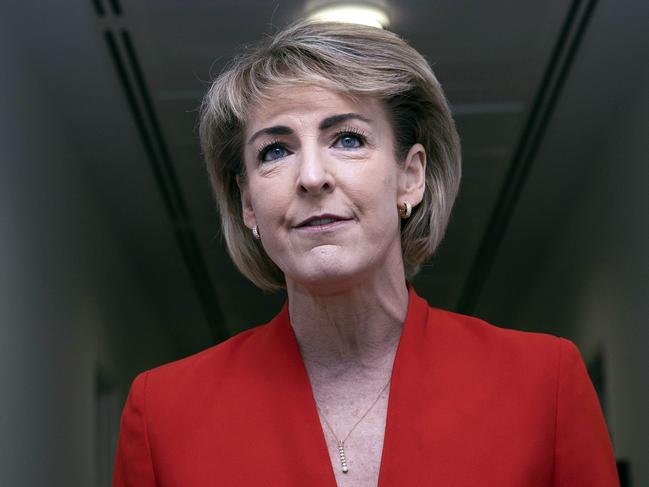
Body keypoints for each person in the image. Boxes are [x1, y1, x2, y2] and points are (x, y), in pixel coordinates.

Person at [112, 20, 619, 487]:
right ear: (247, 202)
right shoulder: (163, 413)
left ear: (411, 176)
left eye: (347, 139)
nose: (311, 177)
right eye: (275, 151)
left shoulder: (542, 384)